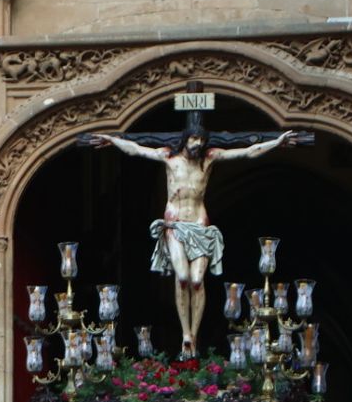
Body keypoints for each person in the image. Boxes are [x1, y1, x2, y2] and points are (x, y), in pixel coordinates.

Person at [77, 122, 301, 356]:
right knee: (182, 277)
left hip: (200, 226)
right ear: (185, 139)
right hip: (175, 226)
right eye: (194, 140)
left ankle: (193, 335)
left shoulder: (209, 159)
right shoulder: (169, 157)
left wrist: (276, 142)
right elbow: (136, 149)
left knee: (196, 281)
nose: (198, 145)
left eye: (201, 141)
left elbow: (246, 151)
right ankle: (185, 333)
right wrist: (113, 140)